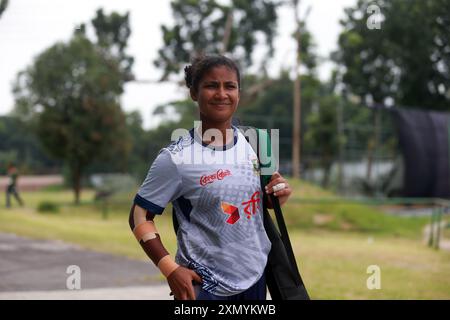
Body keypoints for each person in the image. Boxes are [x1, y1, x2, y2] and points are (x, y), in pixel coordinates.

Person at [128, 54, 292, 300]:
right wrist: (170, 269)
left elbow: (259, 205)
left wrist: (277, 196)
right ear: (194, 92)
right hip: (204, 287)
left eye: (230, 86)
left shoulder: (255, 144)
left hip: (256, 280)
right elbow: (139, 216)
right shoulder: (176, 158)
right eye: (211, 85)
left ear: (238, 92)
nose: (222, 94)